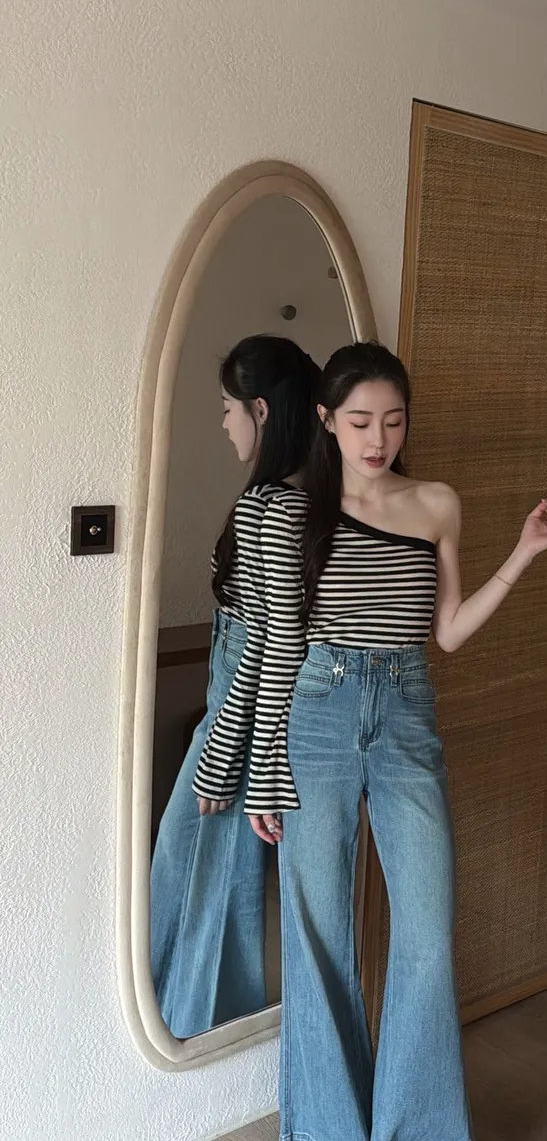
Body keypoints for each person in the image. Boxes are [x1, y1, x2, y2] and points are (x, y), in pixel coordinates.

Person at [244, 340, 547, 1140]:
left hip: (406, 709)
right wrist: (261, 769)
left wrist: (524, 551)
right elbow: (276, 645)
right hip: (317, 711)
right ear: (326, 420)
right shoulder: (291, 509)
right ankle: (327, 1129)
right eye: (360, 421)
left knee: (426, 933)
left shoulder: (435, 503)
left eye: (393, 420)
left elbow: (447, 632)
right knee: (316, 931)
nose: (378, 437)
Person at [149, 334, 321, 1039]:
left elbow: (276, 638)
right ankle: (199, 1025)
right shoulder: (302, 494)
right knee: (210, 873)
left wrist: (223, 752)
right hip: (249, 707)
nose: (223, 425)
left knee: (198, 869)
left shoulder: (271, 505)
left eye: (227, 408)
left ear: (260, 409)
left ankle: (187, 1034)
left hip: (242, 710)